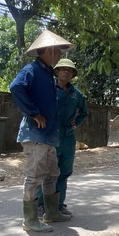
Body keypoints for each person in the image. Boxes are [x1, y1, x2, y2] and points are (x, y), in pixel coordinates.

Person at [10, 30, 73, 233]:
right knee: (34, 176)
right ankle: (29, 220)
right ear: (47, 51)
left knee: (52, 173)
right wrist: (33, 113)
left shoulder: (46, 72)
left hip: (48, 135)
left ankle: (51, 212)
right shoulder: (32, 69)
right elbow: (16, 87)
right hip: (35, 134)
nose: (58, 56)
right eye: (56, 52)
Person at [39, 58, 88, 217]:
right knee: (47, 173)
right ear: (57, 72)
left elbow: (83, 112)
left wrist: (75, 124)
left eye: (70, 70)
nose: (66, 72)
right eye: (63, 69)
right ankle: (41, 205)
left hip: (68, 139)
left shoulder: (76, 94)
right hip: (50, 137)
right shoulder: (47, 89)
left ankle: (59, 205)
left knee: (64, 172)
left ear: (73, 74)